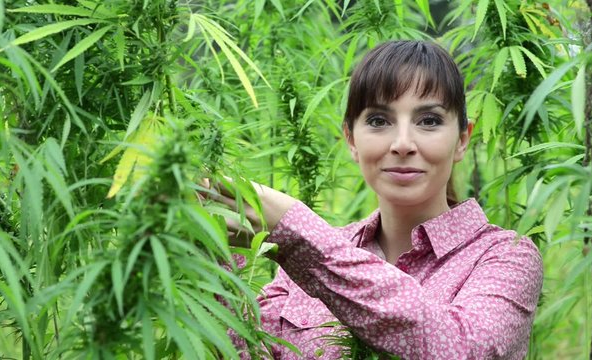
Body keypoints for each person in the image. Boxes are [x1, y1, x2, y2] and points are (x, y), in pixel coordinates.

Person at [209, 40, 543, 359]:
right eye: (378, 121)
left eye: (429, 121)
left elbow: (464, 351)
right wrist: (215, 259)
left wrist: (297, 232)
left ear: (462, 139)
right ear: (351, 139)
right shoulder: (304, 262)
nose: (402, 143)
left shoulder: (506, 257)